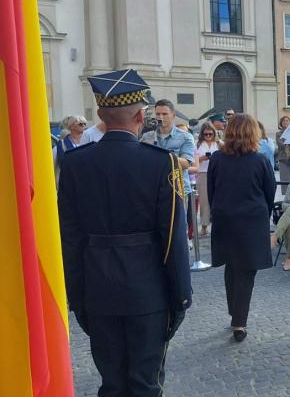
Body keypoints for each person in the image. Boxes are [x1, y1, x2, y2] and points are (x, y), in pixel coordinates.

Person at [59, 69, 191, 395]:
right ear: (140, 114)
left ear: (101, 115)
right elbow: (173, 239)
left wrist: (76, 297)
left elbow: (69, 238)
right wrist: (181, 296)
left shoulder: (75, 163)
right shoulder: (162, 163)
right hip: (148, 291)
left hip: (97, 291)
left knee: (112, 383)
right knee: (146, 384)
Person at [208, 114, 275, 341]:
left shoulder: (217, 158)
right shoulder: (260, 160)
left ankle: (234, 311)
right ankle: (239, 322)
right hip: (251, 219)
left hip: (225, 218)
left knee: (231, 266)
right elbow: (269, 191)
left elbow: (211, 190)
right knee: (247, 271)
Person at [194, 121, 220, 236]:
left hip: (218, 174)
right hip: (203, 173)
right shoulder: (197, 144)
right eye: (206, 134)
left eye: (211, 134)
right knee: (204, 201)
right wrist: (203, 158)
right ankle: (204, 226)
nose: (208, 136)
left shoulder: (219, 144)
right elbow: (192, 160)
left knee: (218, 199)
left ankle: (218, 224)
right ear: (202, 134)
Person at [276, 116, 290, 193]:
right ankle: (285, 196)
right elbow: (281, 144)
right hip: (283, 159)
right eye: (283, 121)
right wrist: (289, 143)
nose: (285, 122)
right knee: (284, 179)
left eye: (287, 120)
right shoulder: (278, 133)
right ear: (281, 123)